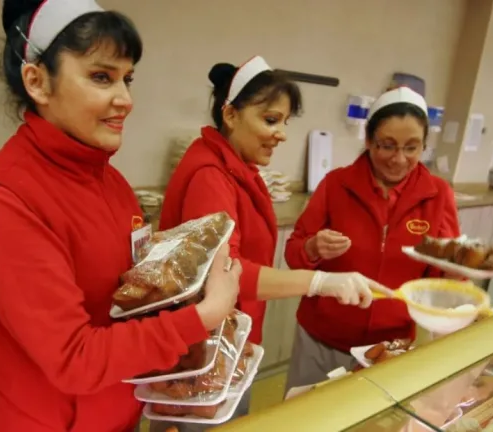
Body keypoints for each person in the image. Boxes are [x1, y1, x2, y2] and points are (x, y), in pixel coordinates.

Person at [0, 1, 242, 431]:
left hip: (118, 412)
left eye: (127, 79)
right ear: (37, 81)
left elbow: (125, 297)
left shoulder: (110, 182)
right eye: (101, 77)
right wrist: (203, 316)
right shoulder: (3, 201)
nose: (125, 99)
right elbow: (73, 358)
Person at [153, 56, 391, 431]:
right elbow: (225, 275)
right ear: (230, 115)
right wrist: (318, 282)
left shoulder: (238, 168)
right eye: (269, 120)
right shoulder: (210, 176)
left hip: (228, 340)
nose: (281, 133)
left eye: (284, 122)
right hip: (204, 351)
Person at [283, 86, 461, 391]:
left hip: (389, 348)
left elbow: (443, 272)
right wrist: (312, 248)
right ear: (368, 141)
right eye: (387, 146)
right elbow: (293, 252)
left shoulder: (437, 194)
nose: (399, 159)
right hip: (322, 339)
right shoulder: (336, 184)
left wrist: (458, 273)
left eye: (412, 148)